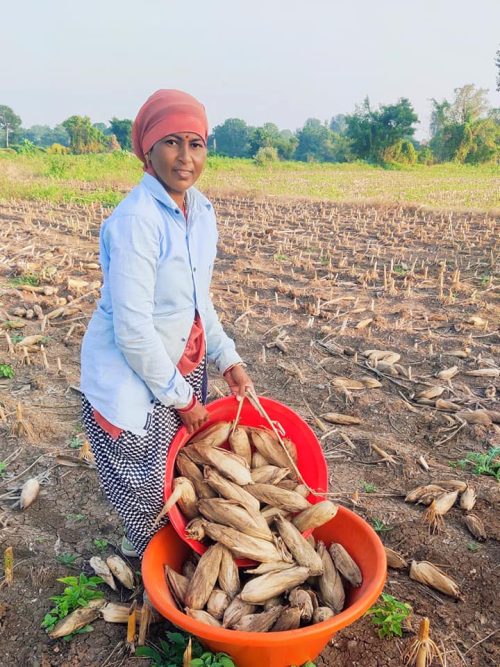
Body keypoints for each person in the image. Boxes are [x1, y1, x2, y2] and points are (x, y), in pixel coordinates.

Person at [80, 89, 253, 558]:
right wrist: (180, 398)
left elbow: (199, 300)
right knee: (143, 492)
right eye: (171, 142)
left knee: (178, 474)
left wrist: (227, 357)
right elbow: (133, 331)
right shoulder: (136, 221)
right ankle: (147, 567)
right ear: (148, 150)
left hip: (179, 361)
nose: (185, 157)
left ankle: (172, 554)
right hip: (135, 376)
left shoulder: (200, 212)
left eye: (195, 143)